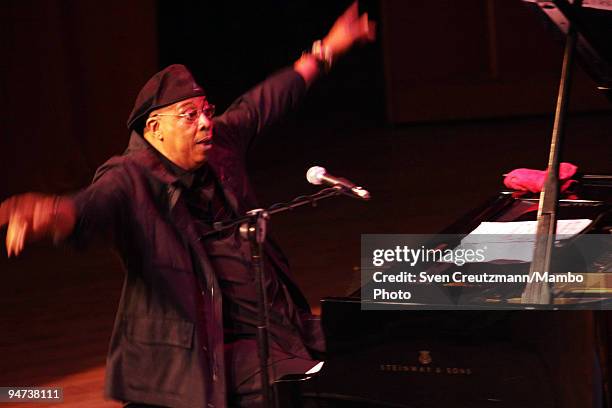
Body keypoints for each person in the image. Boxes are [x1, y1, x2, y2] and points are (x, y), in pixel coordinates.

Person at [0, 3, 374, 408]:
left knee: (375, 335)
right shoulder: (129, 178)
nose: (204, 123)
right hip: (209, 351)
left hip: (279, 327)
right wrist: (52, 214)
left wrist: (328, 48)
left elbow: (266, 100)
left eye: (206, 111)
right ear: (154, 128)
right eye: (189, 115)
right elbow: (89, 207)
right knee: (321, 387)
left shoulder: (220, 145)